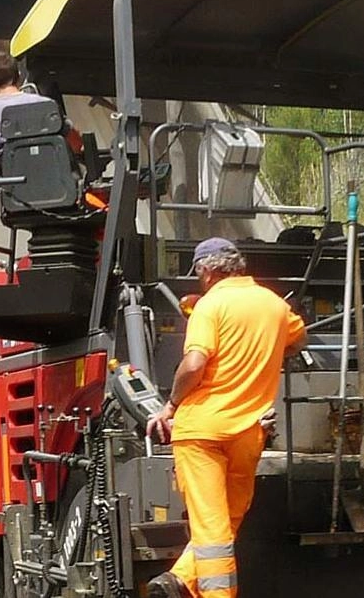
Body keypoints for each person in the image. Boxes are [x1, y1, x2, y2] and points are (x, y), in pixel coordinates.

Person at [145, 238, 307, 598]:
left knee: (211, 528)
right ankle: (181, 579)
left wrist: (170, 405)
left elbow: (195, 363)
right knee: (230, 516)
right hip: (248, 432)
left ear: (207, 270)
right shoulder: (274, 305)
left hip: (201, 432)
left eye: (200, 272)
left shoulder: (210, 305)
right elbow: (299, 340)